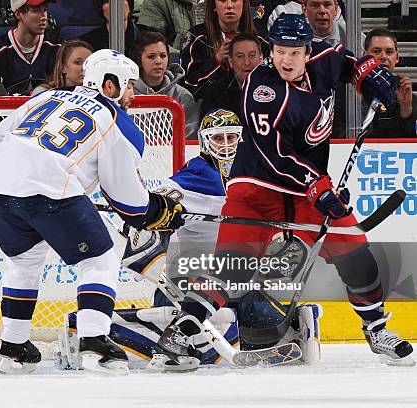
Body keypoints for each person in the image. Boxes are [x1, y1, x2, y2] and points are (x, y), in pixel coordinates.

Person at [153, 13, 413, 372]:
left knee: (356, 253)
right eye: (278, 51)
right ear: (269, 51)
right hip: (258, 186)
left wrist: (369, 76)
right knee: (234, 269)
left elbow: (352, 61)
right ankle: (182, 330)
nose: (285, 60)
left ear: (307, 51)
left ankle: (377, 330)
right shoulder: (261, 91)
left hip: (306, 188)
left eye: (293, 52)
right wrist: (318, 185)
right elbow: (277, 155)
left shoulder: (325, 57)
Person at [0, 49, 185, 375]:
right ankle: (95, 343)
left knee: (24, 260)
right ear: (110, 85)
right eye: (129, 85)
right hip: (51, 193)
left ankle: (14, 347)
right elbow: (128, 201)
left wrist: (18, 177)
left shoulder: (47, 97)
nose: (133, 93)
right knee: (100, 260)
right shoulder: (117, 122)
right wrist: (158, 211)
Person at [114, 109, 322, 369]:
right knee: (196, 334)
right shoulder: (196, 176)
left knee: (258, 309)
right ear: (204, 142)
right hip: (182, 287)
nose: (225, 145)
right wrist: (142, 214)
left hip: (227, 282)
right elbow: (153, 205)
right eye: (218, 139)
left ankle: (285, 327)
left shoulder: (254, 176)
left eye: (231, 138)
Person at [132, 31, 199, 139]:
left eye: (163, 56)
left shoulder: (182, 96)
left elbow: (190, 139)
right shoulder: (128, 94)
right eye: (151, 57)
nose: (158, 61)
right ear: (139, 59)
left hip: (174, 155)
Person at [0, 0, 60, 95]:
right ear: (18, 14)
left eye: (45, 9)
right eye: (36, 10)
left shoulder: (57, 46)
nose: (44, 17)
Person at [363, 28, 416, 138]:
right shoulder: (348, 92)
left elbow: (410, 144)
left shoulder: (405, 92)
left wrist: (405, 109)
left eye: (389, 52)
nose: (383, 57)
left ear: (396, 58)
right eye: (376, 51)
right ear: (365, 56)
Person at [199, 33, 263, 118]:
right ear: (231, 62)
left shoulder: (278, 89)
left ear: (261, 59)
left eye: (252, 55)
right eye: (240, 56)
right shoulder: (216, 95)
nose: (247, 62)